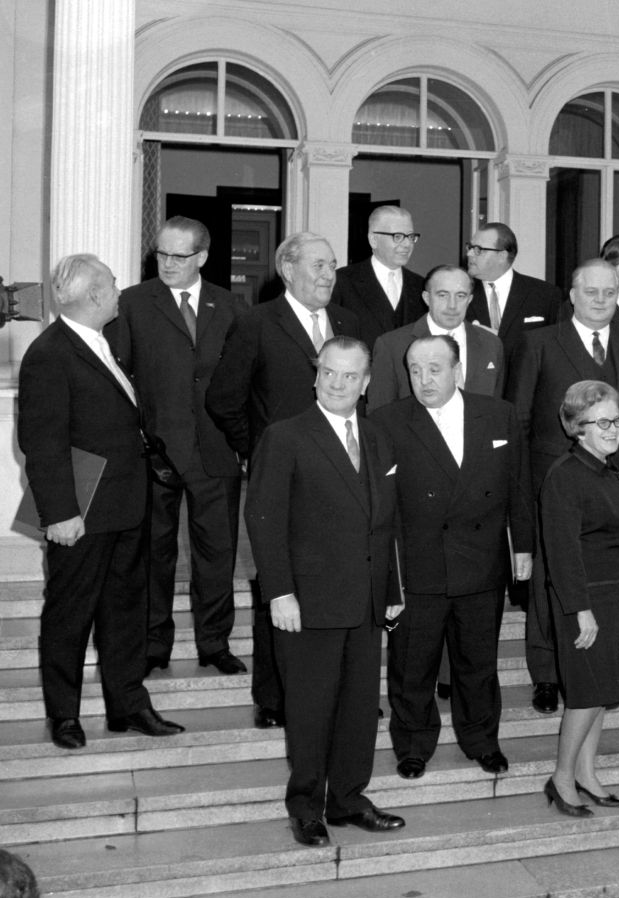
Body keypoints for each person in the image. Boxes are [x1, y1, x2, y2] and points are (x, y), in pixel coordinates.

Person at [18, 254, 184, 749]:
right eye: (112, 284)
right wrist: (59, 514)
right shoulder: (50, 352)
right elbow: (41, 442)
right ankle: (64, 716)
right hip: (81, 508)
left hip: (123, 504)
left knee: (125, 611)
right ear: (93, 295)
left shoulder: (100, 342)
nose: (118, 291)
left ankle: (127, 705)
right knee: (70, 614)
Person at [245, 336, 405, 847]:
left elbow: (387, 522)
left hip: (365, 600)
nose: (338, 384)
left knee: (359, 709)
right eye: (329, 373)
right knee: (311, 712)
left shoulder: (377, 438)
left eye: (350, 376)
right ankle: (306, 806)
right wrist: (279, 592)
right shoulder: (286, 435)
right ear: (317, 375)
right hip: (308, 602)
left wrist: (392, 587)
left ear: (366, 383)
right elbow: (264, 519)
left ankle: (348, 799)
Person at [206, 231, 361, 729]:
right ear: (286, 268)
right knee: (277, 582)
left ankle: (342, 688)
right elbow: (224, 398)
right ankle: (273, 698)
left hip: (344, 479)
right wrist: (259, 452)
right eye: (317, 265)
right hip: (285, 482)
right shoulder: (256, 323)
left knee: (339, 580)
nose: (327, 275)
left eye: (332, 266)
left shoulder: (350, 325)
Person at [370, 335, 533, 779]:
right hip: (419, 564)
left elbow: (519, 485)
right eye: (416, 369)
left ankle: (482, 740)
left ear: (458, 370)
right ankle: (413, 745)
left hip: (481, 561)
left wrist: (523, 545)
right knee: (411, 665)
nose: (424, 379)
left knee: (478, 662)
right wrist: (389, 574)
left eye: (435, 369)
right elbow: (382, 509)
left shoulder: (497, 414)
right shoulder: (386, 421)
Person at [506, 258, 619, 715]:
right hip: (558, 483)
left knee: (611, 582)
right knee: (552, 582)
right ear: (571, 295)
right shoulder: (539, 343)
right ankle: (547, 674)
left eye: (609, 292)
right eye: (590, 292)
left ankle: (616, 668)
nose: (600, 300)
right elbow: (519, 421)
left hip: (617, 488)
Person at [109, 216, 249, 679]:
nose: (167, 263)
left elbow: (244, 380)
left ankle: (215, 642)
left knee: (217, 554)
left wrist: (243, 442)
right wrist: (137, 441)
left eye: (178, 256)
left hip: (215, 452)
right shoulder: (130, 303)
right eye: (161, 255)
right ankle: (154, 643)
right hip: (155, 453)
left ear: (202, 258)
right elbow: (118, 377)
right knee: (154, 553)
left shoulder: (231, 307)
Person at [540, 381, 619, 816]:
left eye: (616, 420)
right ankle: (562, 777)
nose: (613, 428)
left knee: (604, 691)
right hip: (585, 600)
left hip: (617, 592)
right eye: (601, 422)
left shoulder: (609, 468)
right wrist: (580, 610)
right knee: (586, 694)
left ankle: (587, 773)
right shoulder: (566, 475)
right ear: (576, 427)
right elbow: (562, 550)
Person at [367, 264, 504, 409]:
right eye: (443, 295)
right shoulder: (392, 345)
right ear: (426, 298)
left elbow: (498, 410)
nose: (452, 305)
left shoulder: (491, 344)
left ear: (470, 299)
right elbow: (380, 414)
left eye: (460, 296)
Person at [331, 205, 426, 350]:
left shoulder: (421, 286)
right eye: (398, 237)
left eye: (411, 237)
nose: (407, 244)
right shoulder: (343, 281)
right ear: (373, 240)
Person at [464, 221, 562, 353]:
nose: (469, 254)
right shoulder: (461, 293)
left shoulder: (545, 295)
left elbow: (555, 349)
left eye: (478, 250)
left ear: (502, 256)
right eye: (469, 248)